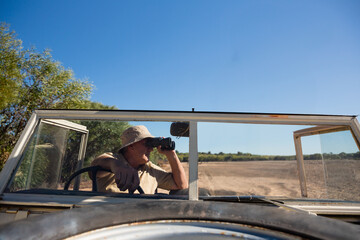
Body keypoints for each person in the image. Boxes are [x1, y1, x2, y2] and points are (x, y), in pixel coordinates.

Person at [90, 125, 188, 194]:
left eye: (151, 144)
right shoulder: (113, 160)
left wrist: (171, 154)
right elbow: (96, 166)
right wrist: (117, 166)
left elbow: (181, 185)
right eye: (147, 144)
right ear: (131, 146)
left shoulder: (151, 170)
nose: (151, 149)